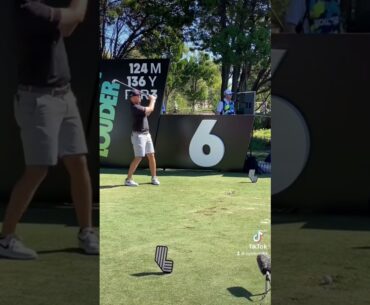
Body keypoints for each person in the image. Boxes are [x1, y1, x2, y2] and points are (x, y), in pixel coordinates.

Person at [0, 0, 99, 260]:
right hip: (37, 100)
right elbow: (76, 15)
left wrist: (75, 14)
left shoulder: (42, 10)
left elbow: (67, 28)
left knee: (78, 162)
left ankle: (86, 231)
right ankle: (6, 238)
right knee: (38, 169)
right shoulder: (27, 7)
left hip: (64, 96)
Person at [125, 90, 160, 187]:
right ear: (132, 98)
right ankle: (128, 179)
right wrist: (153, 100)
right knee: (139, 157)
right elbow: (151, 109)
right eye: (136, 96)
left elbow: (148, 112)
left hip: (146, 134)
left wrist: (151, 102)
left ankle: (154, 177)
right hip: (138, 135)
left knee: (151, 155)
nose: (139, 97)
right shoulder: (135, 107)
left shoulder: (139, 107)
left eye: (139, 95)